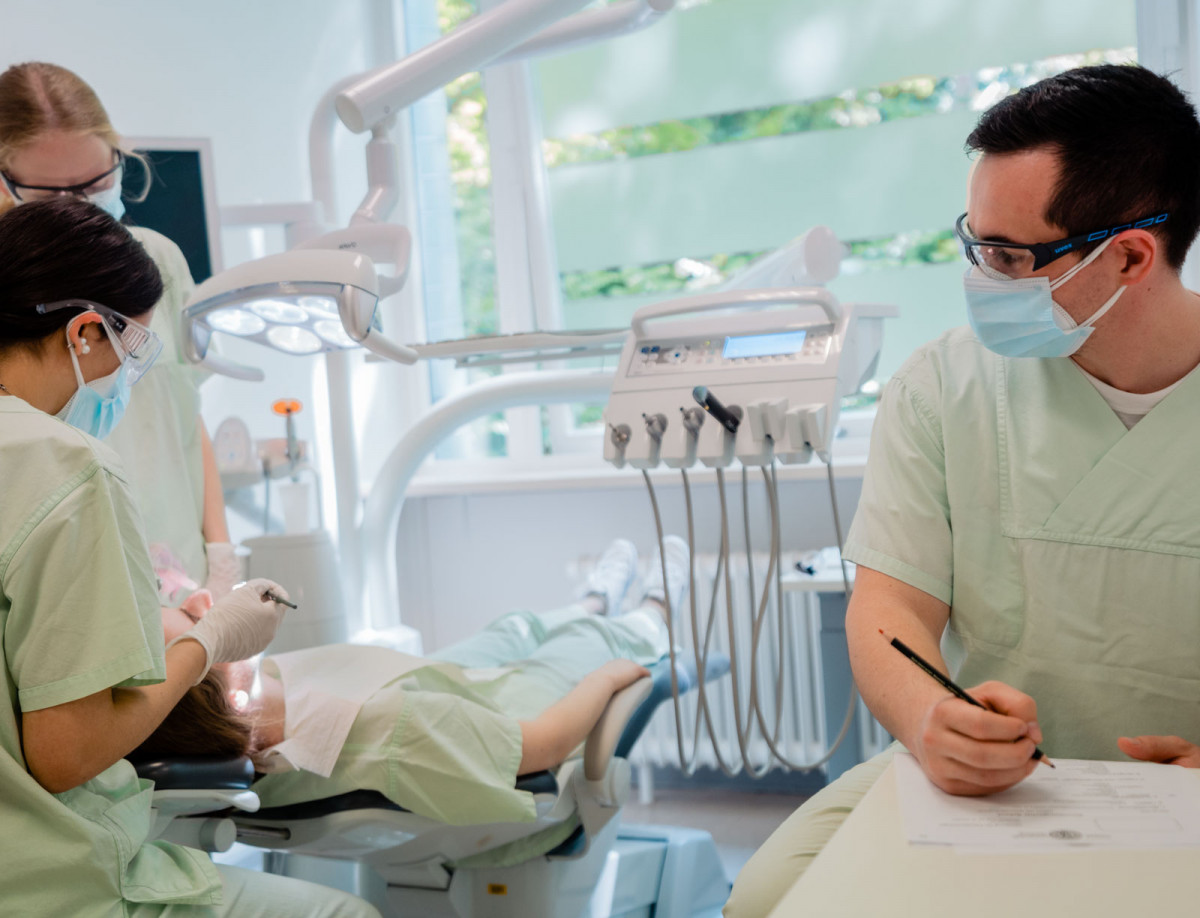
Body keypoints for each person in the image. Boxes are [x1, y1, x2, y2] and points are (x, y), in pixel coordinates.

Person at [725, 62, 1200, 917]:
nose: (981, 276)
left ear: (1129, 255)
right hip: (992, 787)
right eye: (973, 241)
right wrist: (932, 721)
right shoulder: (942, 387)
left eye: (1010, 255)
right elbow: (886, 613)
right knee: (765, 901)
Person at [0, 197, 381, 917]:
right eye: (135, 350)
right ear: (84, 334)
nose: (133, 378)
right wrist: (209, 643)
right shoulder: (68, 470)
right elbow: (63, 752)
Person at [143, 537, 689, 838]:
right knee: (591, 643)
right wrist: (609, 676)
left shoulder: (256, 697)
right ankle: (652, 611)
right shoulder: (385, 732)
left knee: (512, 628)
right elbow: (541, 745)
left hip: (413, 681)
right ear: (229, 698)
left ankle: (594, 597)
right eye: (198, 630)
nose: (201, 602)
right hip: (500, 709)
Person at [0, 61, 239, 603]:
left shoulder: (156, 262)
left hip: (182, 570)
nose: (81, 206)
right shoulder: (11, 289)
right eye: (53, 195)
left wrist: (220, 556)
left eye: (96, 182)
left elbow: (182, 410)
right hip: (77, 577)